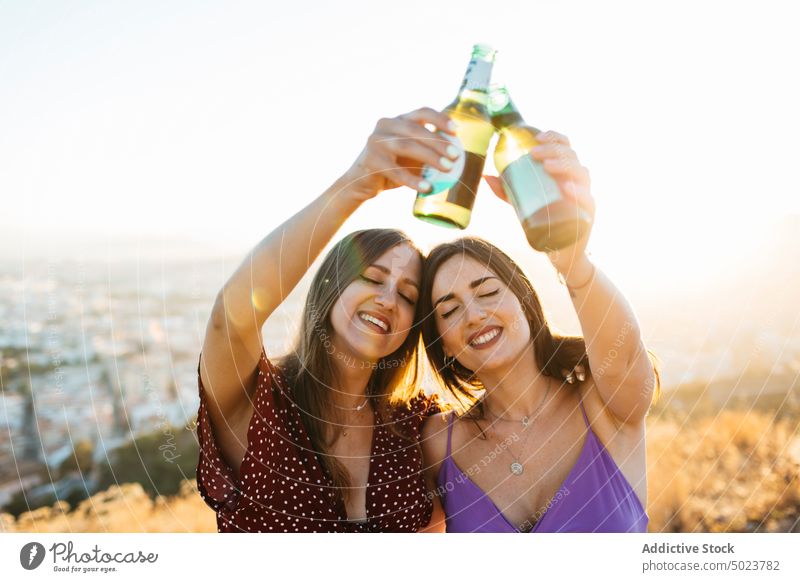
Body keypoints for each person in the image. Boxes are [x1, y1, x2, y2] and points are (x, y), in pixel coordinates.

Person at [195, 107, 460, 532]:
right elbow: (232, 317)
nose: (388, 298)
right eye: (372, 278)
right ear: (331, 288)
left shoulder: (415, 426)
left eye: (408, 295)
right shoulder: (262, 404)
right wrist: (357, 184)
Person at [419, 130, 660, 532]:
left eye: (488, 292)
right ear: (442, 344)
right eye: (450, 310)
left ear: (527, 304)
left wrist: (571, 260)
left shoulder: (604, 403)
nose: (474, 315)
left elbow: (623, 354)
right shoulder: (438, 443)